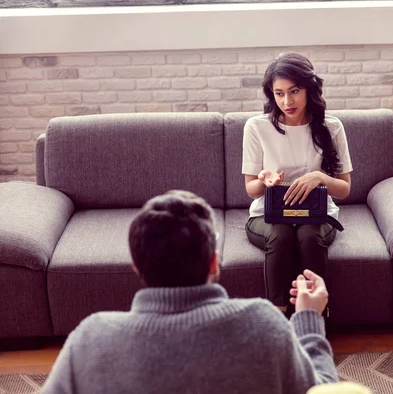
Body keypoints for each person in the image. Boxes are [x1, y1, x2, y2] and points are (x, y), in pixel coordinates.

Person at [41, 190, 338, 394]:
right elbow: (322, 390)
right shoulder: (263, 324)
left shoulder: (90, 339)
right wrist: (309, 319)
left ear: (136, 267)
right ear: (213, 262)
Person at [243, 52, 353, 314]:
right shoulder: (257, 127)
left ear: (309, 89)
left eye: (294, 91)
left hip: (316, 214)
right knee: (280, 236)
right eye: (279, 93)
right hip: (267, 214)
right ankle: (278, 317)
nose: (287, 101)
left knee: (308, 235)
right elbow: (250, 190)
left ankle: (314, 316)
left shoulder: (332, 127)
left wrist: (320, 178)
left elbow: (345, 188)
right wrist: (263, 180)